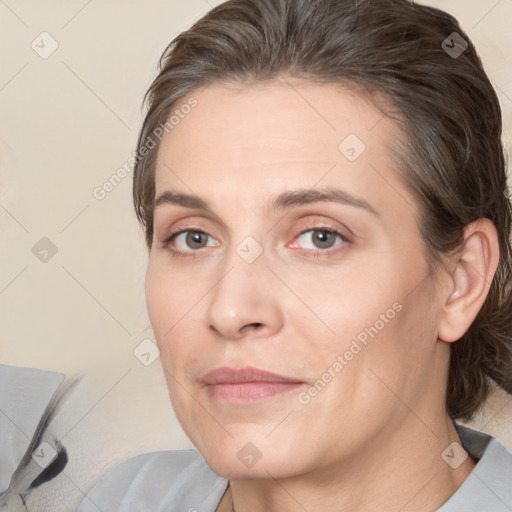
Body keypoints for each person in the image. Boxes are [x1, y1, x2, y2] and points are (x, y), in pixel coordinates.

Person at [76, 0, 512, 510]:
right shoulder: (129, 496)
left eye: (320, 237)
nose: (231, 311)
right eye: (193, 237)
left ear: (460, 281)